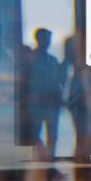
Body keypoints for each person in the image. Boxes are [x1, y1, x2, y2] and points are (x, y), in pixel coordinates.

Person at [27, 28, 63, 160]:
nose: (47, 42)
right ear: (38, 39)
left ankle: (49, 163)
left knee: (52, 137)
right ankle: (38, 160)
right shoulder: (30, 59)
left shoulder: (53, 60)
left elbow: (58, 80)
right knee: (34, 134)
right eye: (45, 39)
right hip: (37, 103)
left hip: (52, 103)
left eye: (49, 39)